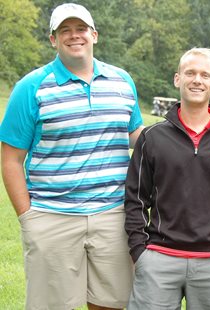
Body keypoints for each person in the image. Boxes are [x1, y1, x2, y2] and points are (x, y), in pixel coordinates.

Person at [0, 3, 144, 310]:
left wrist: (194, 129)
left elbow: (138, 138)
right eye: (64, 30)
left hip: (113, 216)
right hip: (52, 216)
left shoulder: (122, 81)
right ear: (53, 39)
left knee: (112, 304)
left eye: (80, 29)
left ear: (94, 35)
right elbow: (11, 159)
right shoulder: (31, 88)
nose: (74, 35)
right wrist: (28, 218)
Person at [124, 48, 210, 310]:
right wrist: (140, 253)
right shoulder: (152, 138)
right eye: (190, 73)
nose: (197, 80)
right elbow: (135, 199)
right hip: (159, 260)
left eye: (205, 74)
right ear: (177, 79)